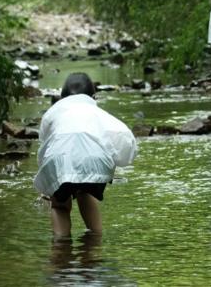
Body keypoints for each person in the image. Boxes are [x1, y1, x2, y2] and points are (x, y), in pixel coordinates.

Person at [34, 72, 137, 238]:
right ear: (93, 96)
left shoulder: (52, 113)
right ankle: (94, 246)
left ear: (62, 97)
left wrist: (46, 179)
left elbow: (46, 143)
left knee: (60, 205)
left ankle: (61, 250)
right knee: (85, 192)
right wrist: (120, 161)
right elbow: (126, 140)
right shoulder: (98, 113)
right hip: (95, 160)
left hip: (60, 159)